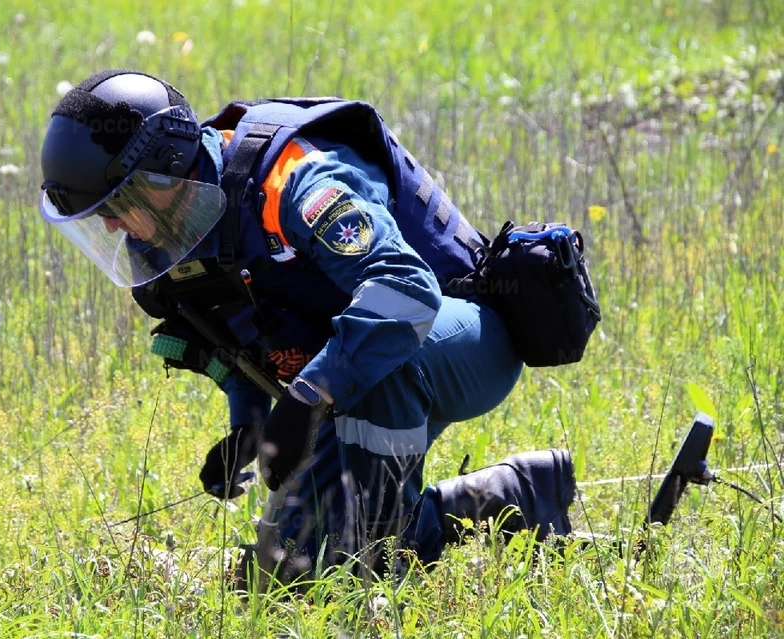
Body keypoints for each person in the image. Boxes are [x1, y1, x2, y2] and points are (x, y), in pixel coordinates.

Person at [38, 69, 577, 582]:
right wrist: (247, 424)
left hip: (458, 338)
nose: (110, 224)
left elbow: (405, 291)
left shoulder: (292, 179)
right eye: (99, 216)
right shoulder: (165, 234)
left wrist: (308, 398)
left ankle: (381, 557)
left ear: (168, 168)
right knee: (288, 569)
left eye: (119, 203)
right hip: (351, 375)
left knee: (354, 563)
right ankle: (512, 494)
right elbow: (236, 341)